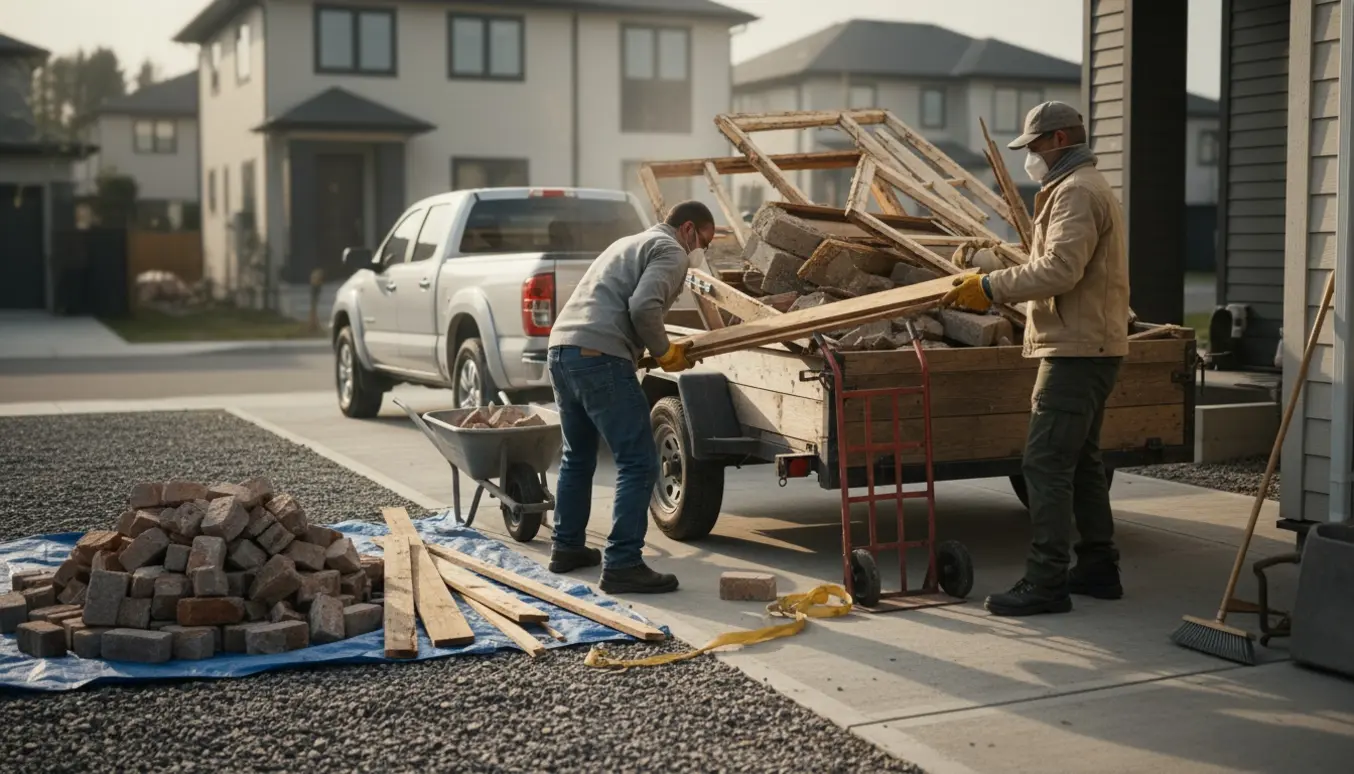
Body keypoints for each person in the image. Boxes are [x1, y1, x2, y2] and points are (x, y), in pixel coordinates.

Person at [943, 101, 1130, 616]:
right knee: (1083, 461)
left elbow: (1059, 271)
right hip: (1090, 342)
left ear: (1061, 139)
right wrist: (989, 270)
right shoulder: (1081, 187)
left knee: (1044, 462)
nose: (1031, 158)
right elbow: (1061, 267)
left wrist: (988, 287)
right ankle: (1097, 567)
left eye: (1035, 147)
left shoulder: (1075, 192)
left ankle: (1046, 582)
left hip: (1075, 349)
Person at [544, 201, 716, 594]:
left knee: (577, 457)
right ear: (688, 229)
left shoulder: (630, 242)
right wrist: (664, 351)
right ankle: (622, 563)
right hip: (599, 357)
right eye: (703, 241)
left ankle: (566, 547)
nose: (699, 251)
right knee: (638, 461)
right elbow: (642, 306)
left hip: (562, 351)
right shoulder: (672, 250)